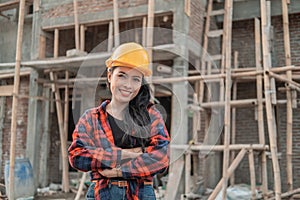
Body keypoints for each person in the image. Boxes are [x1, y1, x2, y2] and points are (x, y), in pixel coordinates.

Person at [68, 42, 170, 200]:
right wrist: (128, 154)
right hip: (102, 194)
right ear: (110, 76)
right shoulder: (91, 118)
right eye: (122, 75)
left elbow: (162, 158)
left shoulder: (151, 116)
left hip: (141, 194)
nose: (128, 85)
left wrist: (117, 171)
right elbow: (77, 156)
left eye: (136, 79)